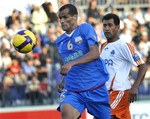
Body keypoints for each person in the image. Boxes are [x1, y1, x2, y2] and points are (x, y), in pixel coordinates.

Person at [56, 4, 111, 119]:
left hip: (95, 88)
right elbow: (69, 62)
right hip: (73, 90)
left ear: (75, 17)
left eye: (65, 17)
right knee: (66, 112)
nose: (62, 21)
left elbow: (95, 53)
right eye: (60, 18)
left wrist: (71, 63)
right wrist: (63, 80)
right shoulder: (60, 41)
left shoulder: (85, 29)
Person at [100, 13, 147, 119]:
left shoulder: (124, 46)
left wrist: (135, 87)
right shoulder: (102, 46)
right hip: (105, 93)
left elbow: (142, 66)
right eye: (104, 25)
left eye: (110, 25)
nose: (106, 28)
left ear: (117, 27)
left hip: (119, 91)